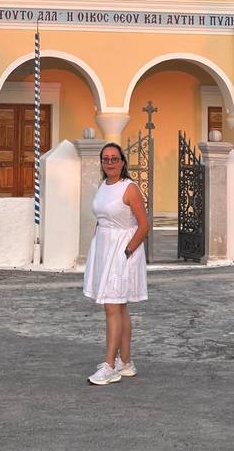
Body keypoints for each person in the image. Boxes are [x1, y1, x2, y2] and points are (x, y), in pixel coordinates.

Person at [83, 141, 149, 385]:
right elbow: (101, 219)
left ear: (122, 162)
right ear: (102, 163)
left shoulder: (129, 188)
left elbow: (144, 225)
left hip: (123, 250)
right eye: (105, 159)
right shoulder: (103, 186)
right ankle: (126, 362)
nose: (110, 162)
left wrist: (127, 251)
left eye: (114, 158)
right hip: (103, 248)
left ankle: (110, 366)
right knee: (119, 307)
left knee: (112, 306)